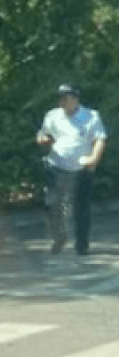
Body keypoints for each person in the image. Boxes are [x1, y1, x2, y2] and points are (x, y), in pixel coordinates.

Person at [37, 83, 107, 255]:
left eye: (65, 98)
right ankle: (59, 238)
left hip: (81, 169)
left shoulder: (90, 116)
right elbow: (42, 134)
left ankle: (81, 245)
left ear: (75, 99)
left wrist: (93, 159)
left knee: (80, 209)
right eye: (60, 98)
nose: (62, 101)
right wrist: (42, 139)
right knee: (53, 205)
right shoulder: (52, 116)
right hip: (56, 167)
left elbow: (100, 139)